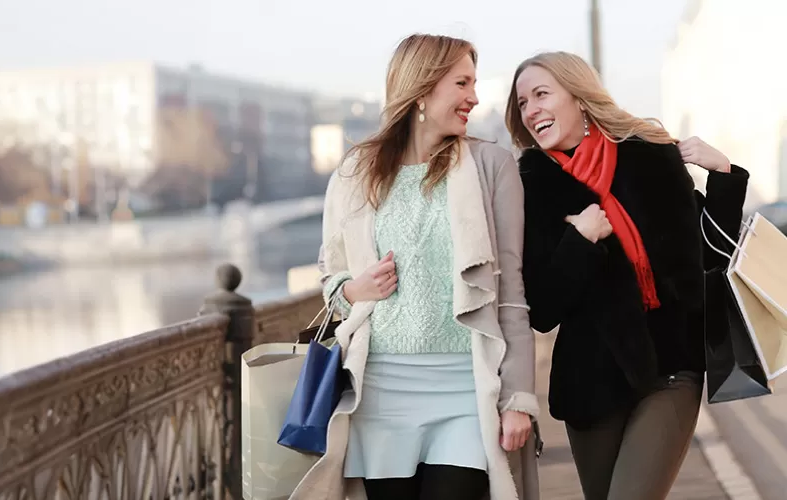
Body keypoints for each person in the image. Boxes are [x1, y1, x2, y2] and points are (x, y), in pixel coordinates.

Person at [289, 34, 540, 500]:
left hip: (467, 391)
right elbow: (332, 279)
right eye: (462, 83)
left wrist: (518, 398)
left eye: (474, 83)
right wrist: (354, 289)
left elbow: (510, 293)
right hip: (380, 394)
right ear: (422, 90)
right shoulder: (355, 172)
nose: (474, 97)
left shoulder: (493, 166)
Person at [504, 51, 749, 500]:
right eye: (522, 103)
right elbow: (542, 308)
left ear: (579, 96)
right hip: (591, 383)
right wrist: (580, 241)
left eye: (541, 94)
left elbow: (709, 257)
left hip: (671, 368)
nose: (531, 110)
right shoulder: (531, 187)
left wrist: (724, 176)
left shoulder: (649, 157)